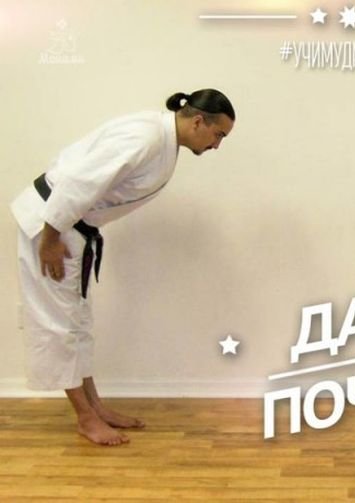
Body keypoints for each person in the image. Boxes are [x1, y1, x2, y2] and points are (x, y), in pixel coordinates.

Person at [11, 89, 235, 446]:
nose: (217, 145)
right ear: (198, 121)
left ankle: (95, 407)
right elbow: (80, 181)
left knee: (77, 321)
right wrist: (50, 237)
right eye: (218, 134)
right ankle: (85, 418)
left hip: (69, 227)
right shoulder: (146, 137)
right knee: (59, 324)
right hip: (51, 226)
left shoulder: (161, 138)